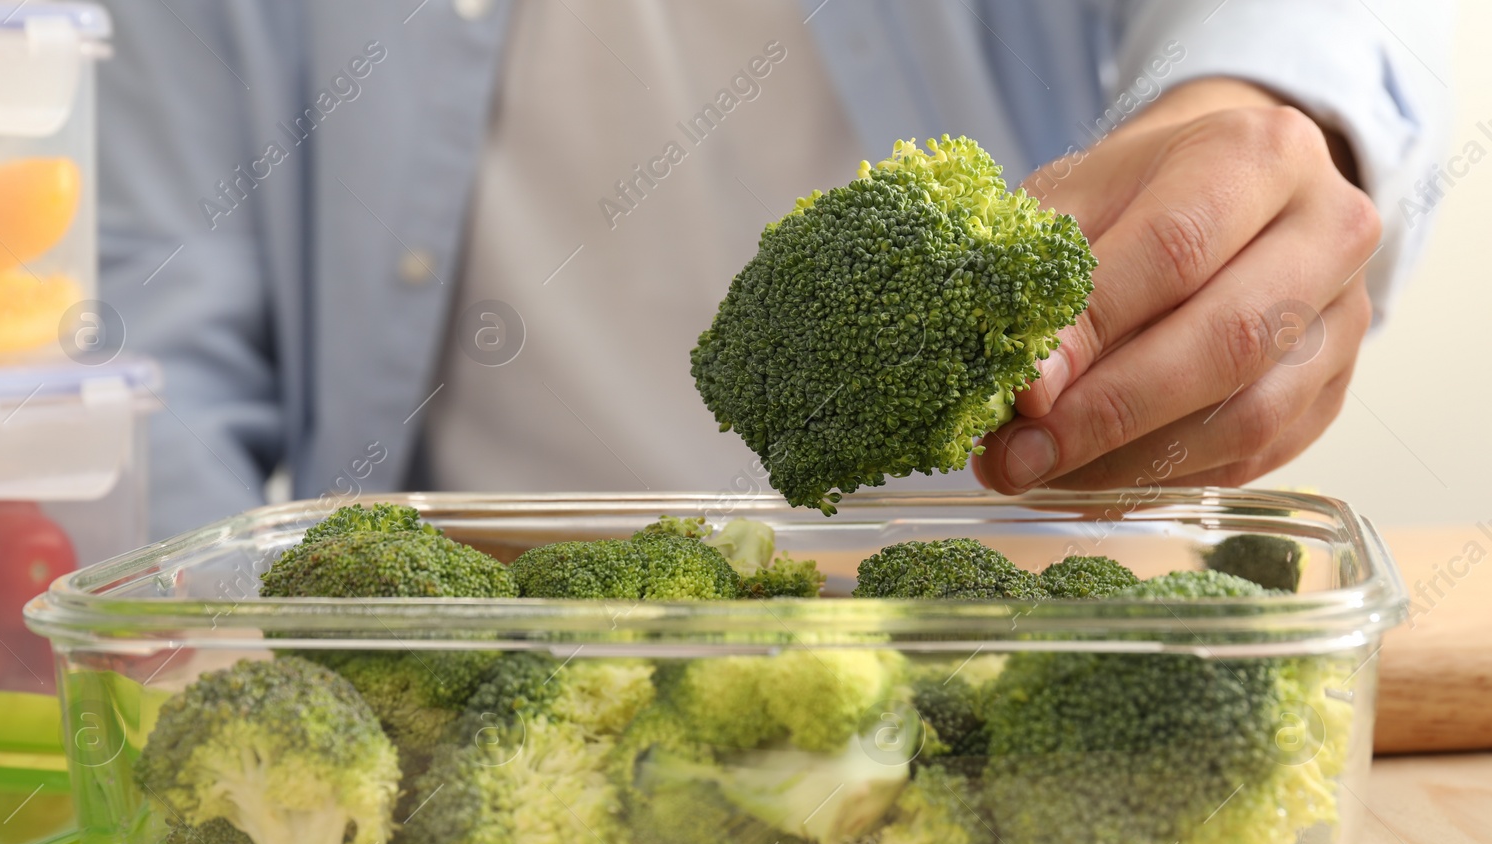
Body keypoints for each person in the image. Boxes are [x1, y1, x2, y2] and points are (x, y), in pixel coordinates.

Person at [96, 0, 1452, 538]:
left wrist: (1260, 119)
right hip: (487, 653)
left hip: (1009, 626)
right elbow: (147, 362)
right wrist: (220, 686)